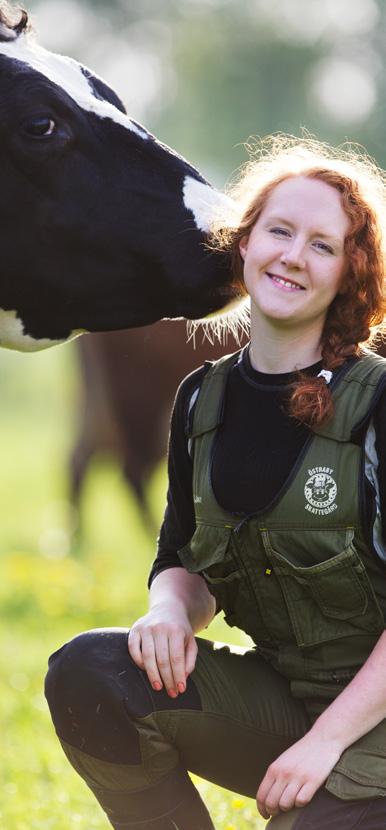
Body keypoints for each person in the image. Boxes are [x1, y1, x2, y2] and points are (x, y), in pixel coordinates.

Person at [45, 135, 386, 830]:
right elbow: (181, 557)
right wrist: (169, 610)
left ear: (349, 275)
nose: (292, 255)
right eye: (279, 230)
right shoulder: (202, 399)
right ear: (244, 244)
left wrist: (323, 746)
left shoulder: (375, 402)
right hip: (288, 701)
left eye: (322, 246)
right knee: (91, 675)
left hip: (371, 721)